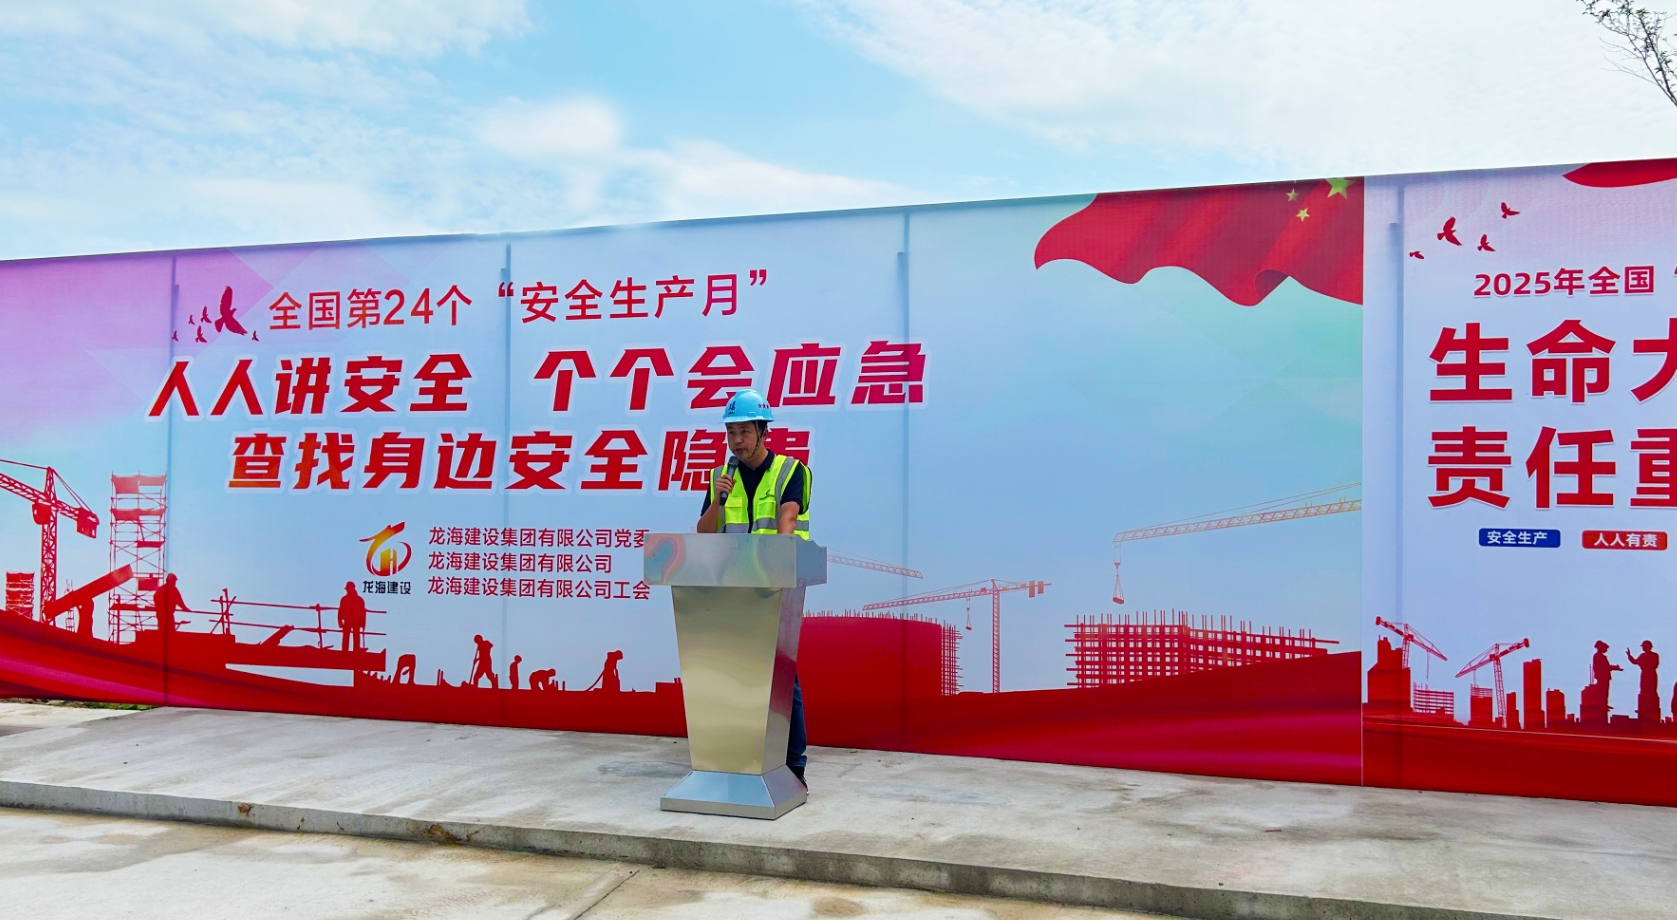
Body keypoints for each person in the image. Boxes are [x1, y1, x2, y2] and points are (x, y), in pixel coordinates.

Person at [695, 388, 813, 786]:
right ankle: (740, 759)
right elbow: (704, 533)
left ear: (764, 432)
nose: (737, 441)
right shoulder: (720, 478)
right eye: (731, 433)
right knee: (736, 671)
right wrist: (719, 500)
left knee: (781, 676)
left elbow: (788, 519)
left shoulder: (790, 471)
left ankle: (793, 765)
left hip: (777, 585)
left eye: (745, 431)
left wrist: (774, 571)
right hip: (733, 589)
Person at [1627, 640, 1661, 723]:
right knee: (1644, 691)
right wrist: (1629, 655)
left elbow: (1654, 665)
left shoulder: (1653, 655)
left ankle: (1650, 707)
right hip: (1646, 674)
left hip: (1649, 674)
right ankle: (1645, 707)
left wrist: (1645, 665)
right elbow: (1635, 662)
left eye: (1643, 646)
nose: (1642, 648)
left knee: (1651, 690)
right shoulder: (1646, 655)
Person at [152, 573, 190, 637]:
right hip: (166, 614)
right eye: (174, 581)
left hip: (161, 613)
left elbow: (155, 598)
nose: (175, 583)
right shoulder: (172, 589)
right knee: (169, 630)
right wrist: (184, 608)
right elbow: (179, 600)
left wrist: (184, 608)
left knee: (162, 629)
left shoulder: (161, 589)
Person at [337, 581, 367, 652]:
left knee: (355, 636)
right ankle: (345, 651)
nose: (347, 590)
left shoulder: (359, 600)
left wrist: (363, 623)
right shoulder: (345, 599)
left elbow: (363, 612)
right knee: (347, 636)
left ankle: (355, 651)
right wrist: (340, 621)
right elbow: (340, 611)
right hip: (348, 621)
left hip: (356, 621)